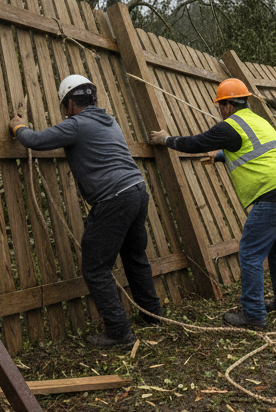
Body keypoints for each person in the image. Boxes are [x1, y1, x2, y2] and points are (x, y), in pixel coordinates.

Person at [9, 74, 164, 349]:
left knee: (95, 267)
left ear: (70, 104)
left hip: (114, 199)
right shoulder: (110, 121)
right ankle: (153, 316)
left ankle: (119, 332)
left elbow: (34, 140)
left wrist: (18, 126)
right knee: (134, 257)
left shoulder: (76, 124)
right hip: (137, 191)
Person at [148, 79, 276, 331]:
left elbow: (195, 143)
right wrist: (221, 156)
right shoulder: (257, 120)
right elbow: (258, 149)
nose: (219, 109)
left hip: (273, 194)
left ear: (227, 105)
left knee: (250, 253)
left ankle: (253, 316)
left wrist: (166, 139)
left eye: (220, 104)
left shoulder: (229, 127)